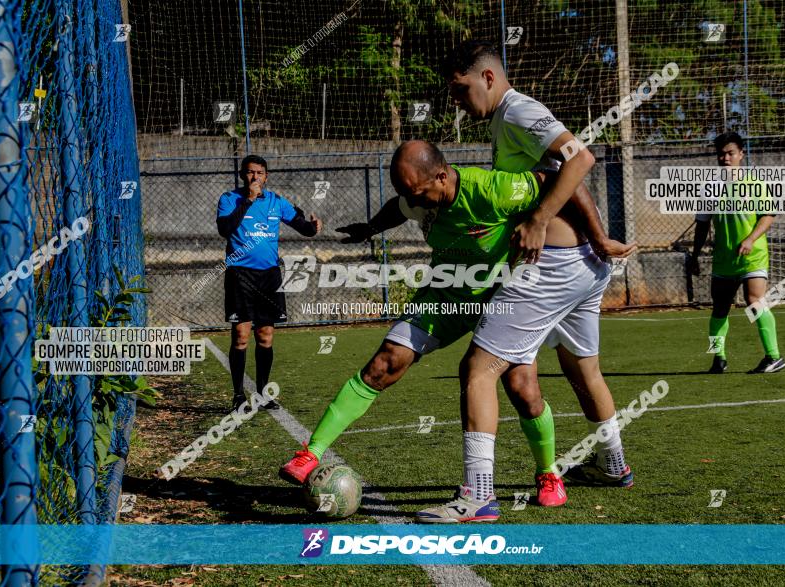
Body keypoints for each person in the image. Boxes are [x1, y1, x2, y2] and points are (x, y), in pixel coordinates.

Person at [278, 141, 583, 492]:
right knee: (383, 364)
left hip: (502, 298)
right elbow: (399, 206)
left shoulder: (492, 189)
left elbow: (557, 177)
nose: (416, 202)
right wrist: (370, 228)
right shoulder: (417, 195)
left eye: (419, 193)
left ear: (442, 176)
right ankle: (310, 454)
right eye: (409, 194)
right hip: (445, 294)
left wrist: (552, 225)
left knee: (522, 390)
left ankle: (548, 473)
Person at [416, 41, 635, 522]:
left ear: (488, 78)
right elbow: (564, 177)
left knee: (477, 370)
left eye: (460, 89)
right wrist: (597, 238)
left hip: (551, 268)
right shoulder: (507, 121)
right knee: (583, 371)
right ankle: (613, 465)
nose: (457, 101)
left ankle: (477, 496)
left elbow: (581, 159)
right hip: (582, 267)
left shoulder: (517, 111)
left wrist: (537, 220)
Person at [216, 155, 322, 411]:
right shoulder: (229, 199)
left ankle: (263, 393)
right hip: (240, 274)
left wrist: (313, 227)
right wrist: (249, 201)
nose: (255, 177)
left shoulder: (276, 202)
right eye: (250, 173)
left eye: (260, 173)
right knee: (241, 335)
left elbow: (302, 227)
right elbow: (225, 229)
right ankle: (238, 395)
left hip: (269, 276)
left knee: (265, 335)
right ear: (243, 175)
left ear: (266, 176)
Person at [688, 132, 785, 374]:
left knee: (754, 301)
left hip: (753, 255)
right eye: (721, 154)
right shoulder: (709, 188)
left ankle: (773, 356)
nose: (725, 158)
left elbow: (768, 215)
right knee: (719, 309)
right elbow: (702, 224)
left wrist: (751, 239)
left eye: (731, 153)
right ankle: (718, 358)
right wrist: (695, 255)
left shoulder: (755, 184)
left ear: (741, 154)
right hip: (724, 258)